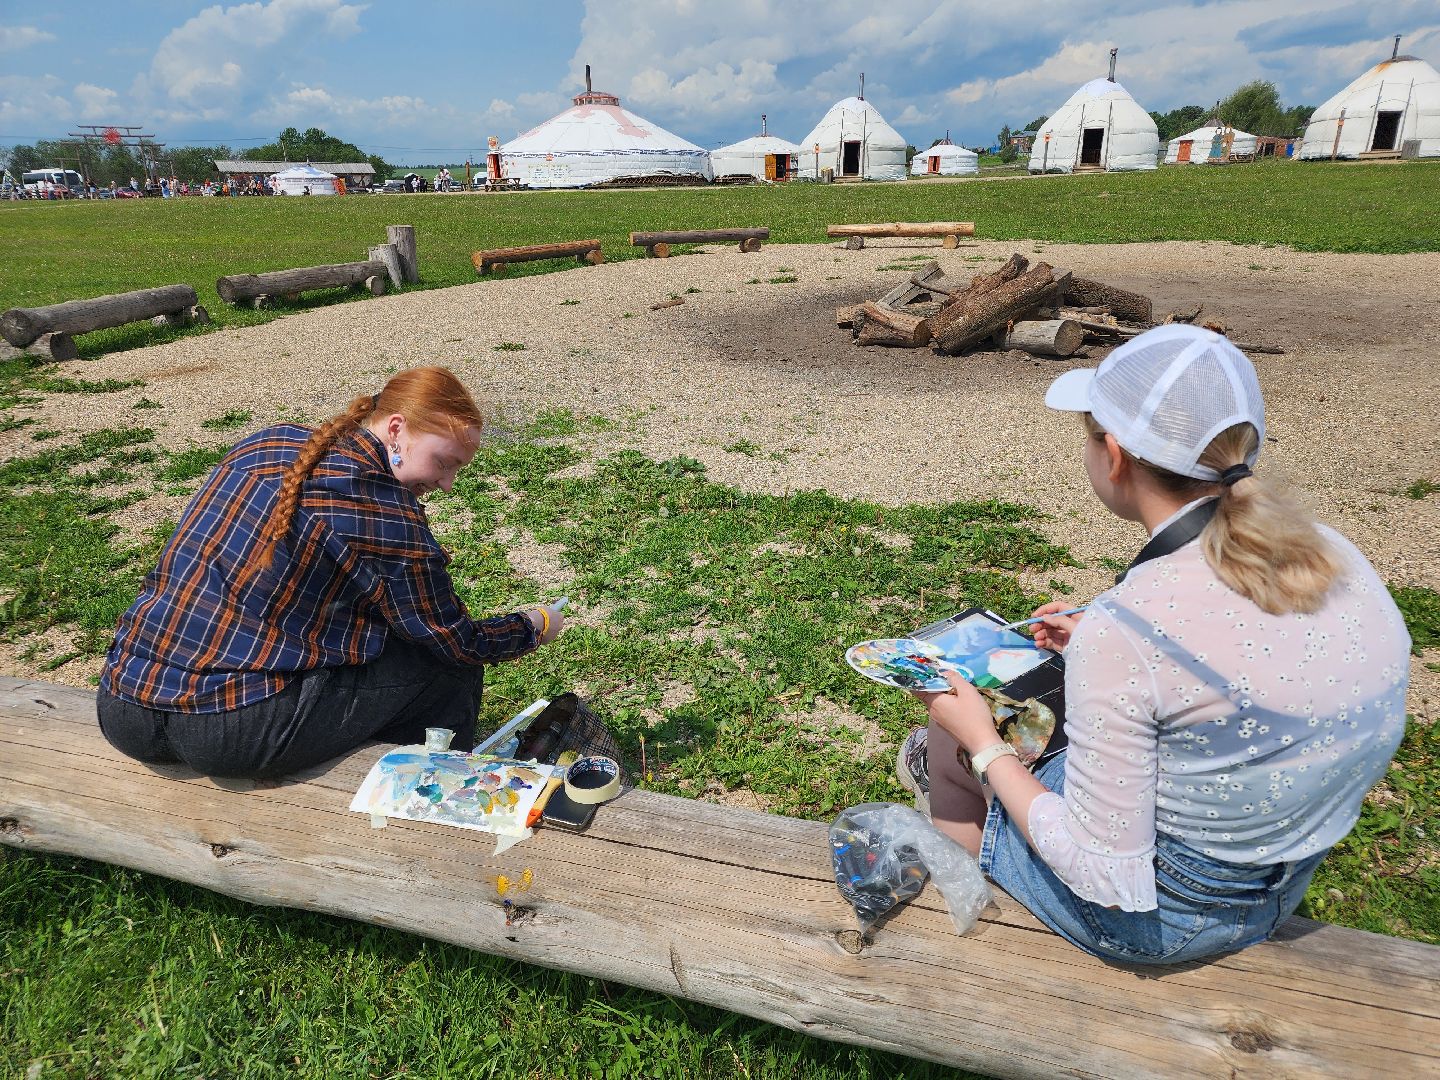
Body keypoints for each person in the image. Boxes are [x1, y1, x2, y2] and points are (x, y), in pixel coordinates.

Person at [899, 324, 1409, 965]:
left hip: (1166, 916)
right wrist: (1099, 647)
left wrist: (983, 744)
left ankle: (971, 924)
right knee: (1011, 725)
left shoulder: (1131, 627)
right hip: (1283, 871)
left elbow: (1107, 875)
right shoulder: (1330, 551)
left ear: (1113, 455)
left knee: (952, 735)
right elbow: (1253, 657)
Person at [98, 367, 567, 779]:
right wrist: (531, 627)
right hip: (226, 729)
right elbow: (453, 640)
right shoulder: (387, 515)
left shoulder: (271, 441)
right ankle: (422, 802)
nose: (445, 483)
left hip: (123, 702)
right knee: (444, 671)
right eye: (444, 463)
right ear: (397, 428)